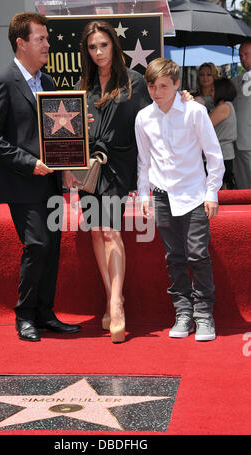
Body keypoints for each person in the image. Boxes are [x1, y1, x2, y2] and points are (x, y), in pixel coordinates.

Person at [0, 12, 81, 342]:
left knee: (52, 247)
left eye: (47, 39)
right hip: (22, 182)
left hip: (50, 182)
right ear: (21, 43)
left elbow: (56, 134)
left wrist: (67, 165)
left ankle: (45, 313)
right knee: (37, 243)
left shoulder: (48, 82)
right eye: (41, 39)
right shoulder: (3, 81)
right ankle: (24, 314)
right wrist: (28, 162)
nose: (48, 45)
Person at [72, 20, 152, 343]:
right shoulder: (84, 86)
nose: (98, 52)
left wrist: (183, 99)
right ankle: (110, 296)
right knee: (95, 232)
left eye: (103, 45)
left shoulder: (133, 82)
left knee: (111, 230)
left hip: (118, 164)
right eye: (92, 47)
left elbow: (151, 121)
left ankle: (117, 305)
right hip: (89, 168)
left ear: (114, 46)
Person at [135, 58, 225, 342]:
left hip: (195, 195)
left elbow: (214, 155)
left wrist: (212, 192)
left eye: (163, 85)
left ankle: (204, 314)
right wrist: (143, 196)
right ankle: (183, 313)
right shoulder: (143, 118)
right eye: (152, 85)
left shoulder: (194, 112)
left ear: (176, 84)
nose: (157, 91)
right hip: (161, 196)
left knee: (198, 255)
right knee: (174, 258)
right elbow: (144, 162)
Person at [209, 78, 237, 190]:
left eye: (212, 90)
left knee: (222, 189)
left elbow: (205, 125)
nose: (210, 93)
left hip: (222, 154)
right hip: (222, 153)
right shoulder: (225, 106)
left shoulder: (224, 107)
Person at [231, 39, 251, 189]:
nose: (242, 58)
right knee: (242, 185)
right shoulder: (236, 80)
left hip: (248, 140)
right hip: (235, 141)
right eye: (240, 55)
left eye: (246, 54)